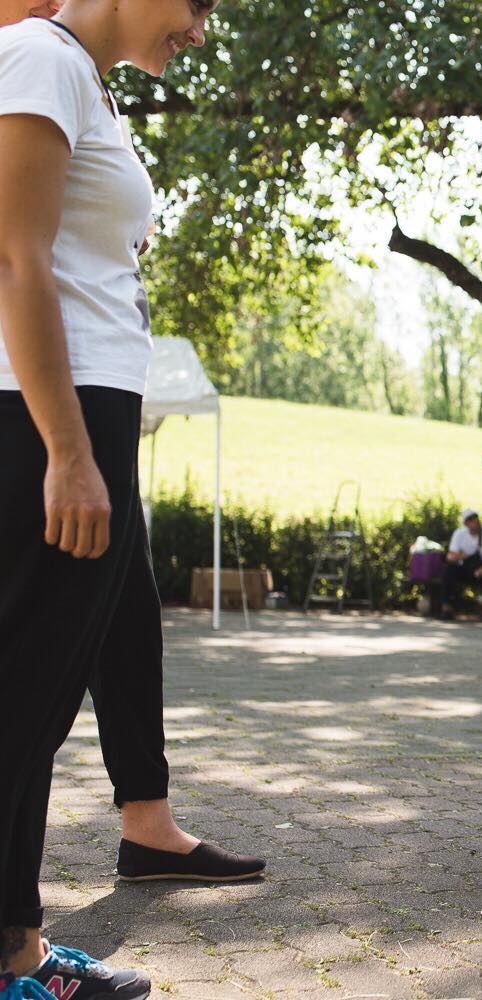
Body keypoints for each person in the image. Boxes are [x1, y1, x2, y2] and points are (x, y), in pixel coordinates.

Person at [0, 2, 263, 996]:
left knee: (35, 705)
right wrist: (68, 451)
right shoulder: (38, 57)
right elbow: (16, 258)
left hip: (94, 409)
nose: (201, 29)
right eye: (197, 5)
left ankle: (20, 952)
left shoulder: (82, 79)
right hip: (50, 418)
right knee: (21, 701)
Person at [437, 508, 482, 619]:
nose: (474, 521)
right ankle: (446, 608)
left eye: (475, 517)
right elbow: (451, 557)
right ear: (465, 523)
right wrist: (464, 556)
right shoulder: (459, 534)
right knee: (448, 570)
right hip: (465, 569)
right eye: (470, 519)